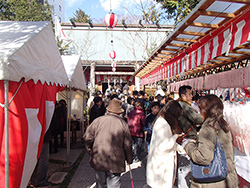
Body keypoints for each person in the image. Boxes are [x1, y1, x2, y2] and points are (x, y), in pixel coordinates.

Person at [184, 94, 239, 188]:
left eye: (200, 109)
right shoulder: (223, 125)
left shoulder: (208, 129)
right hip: (228, 179)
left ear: (205, 111)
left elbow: (203, 157)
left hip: (212, 181)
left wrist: (189, 146)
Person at [83, 98, 133, 188]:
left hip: (99, 156)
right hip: (116, 159)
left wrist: (90, 150)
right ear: (119, 112)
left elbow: (87, 137)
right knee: (114, 183)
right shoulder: (123, 124)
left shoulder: (97, 121)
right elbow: (128, 144)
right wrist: (129, 159)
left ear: (108, 110)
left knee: (101, 184)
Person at [146, 100, 184, 188]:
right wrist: (175, 137)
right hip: (161, 167)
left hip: (162, 165)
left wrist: (181, 148)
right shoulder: (162, 124)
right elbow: (163, 146)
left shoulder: (163, 122)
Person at [177, 85, 203, 188]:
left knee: (183, 166)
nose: (191, 96)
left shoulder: (179, 104)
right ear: (183, 95)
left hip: (183, 137)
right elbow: (197, 119)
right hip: (188, 138)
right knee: (186, 167)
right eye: (189, 94)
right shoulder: (185, 106)